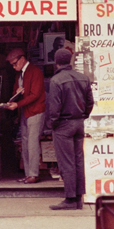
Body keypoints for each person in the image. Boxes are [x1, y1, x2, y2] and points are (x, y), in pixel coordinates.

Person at [48, 49, 94, 209]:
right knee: (78, 161)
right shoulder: (83, 78)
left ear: (56, 62)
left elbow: (54, 109)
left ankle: (69, 198)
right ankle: (78, 198)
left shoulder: (56, 80)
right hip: (78, 123)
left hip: (63, 125)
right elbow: (90, 102)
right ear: (70, 60)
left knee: (66, 162)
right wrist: (83, 116)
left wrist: (52, 125)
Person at [5, 48, 45, 184]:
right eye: (11, 65)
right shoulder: (19, 75)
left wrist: (17, 104)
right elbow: (17, 92)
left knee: (33, 143)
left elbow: (35, 94)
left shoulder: (35, 72)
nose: (13, 66)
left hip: (35, 111)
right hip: (24, 111)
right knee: (25, 143)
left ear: (22, 59)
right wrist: (16, 94)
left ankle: (34, 174)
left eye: (15, 63)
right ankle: (28, 174)